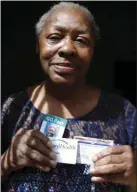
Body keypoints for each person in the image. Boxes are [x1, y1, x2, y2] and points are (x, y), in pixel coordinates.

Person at [1, 2, 136, 192]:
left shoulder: (124, 113)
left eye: (81, 40)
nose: (67, 49)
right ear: (37, 46)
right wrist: (6, 163)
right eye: (55, 37)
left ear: (93, 52)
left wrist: (135, 176)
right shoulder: (10, 110)